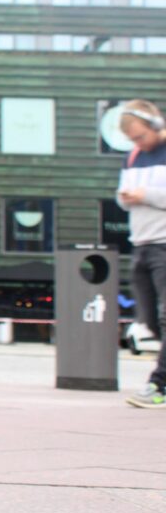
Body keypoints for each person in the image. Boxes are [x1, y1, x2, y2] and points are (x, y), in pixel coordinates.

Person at [116, 100, 166, 408]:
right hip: (141, 242)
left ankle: (159, 384)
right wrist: (126, 198)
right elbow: (122, 199)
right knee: (148, 318)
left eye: (140, 136)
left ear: (156, 125)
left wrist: (145, 195)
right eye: (132, 139)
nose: (138, 143)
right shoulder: (133, 157)